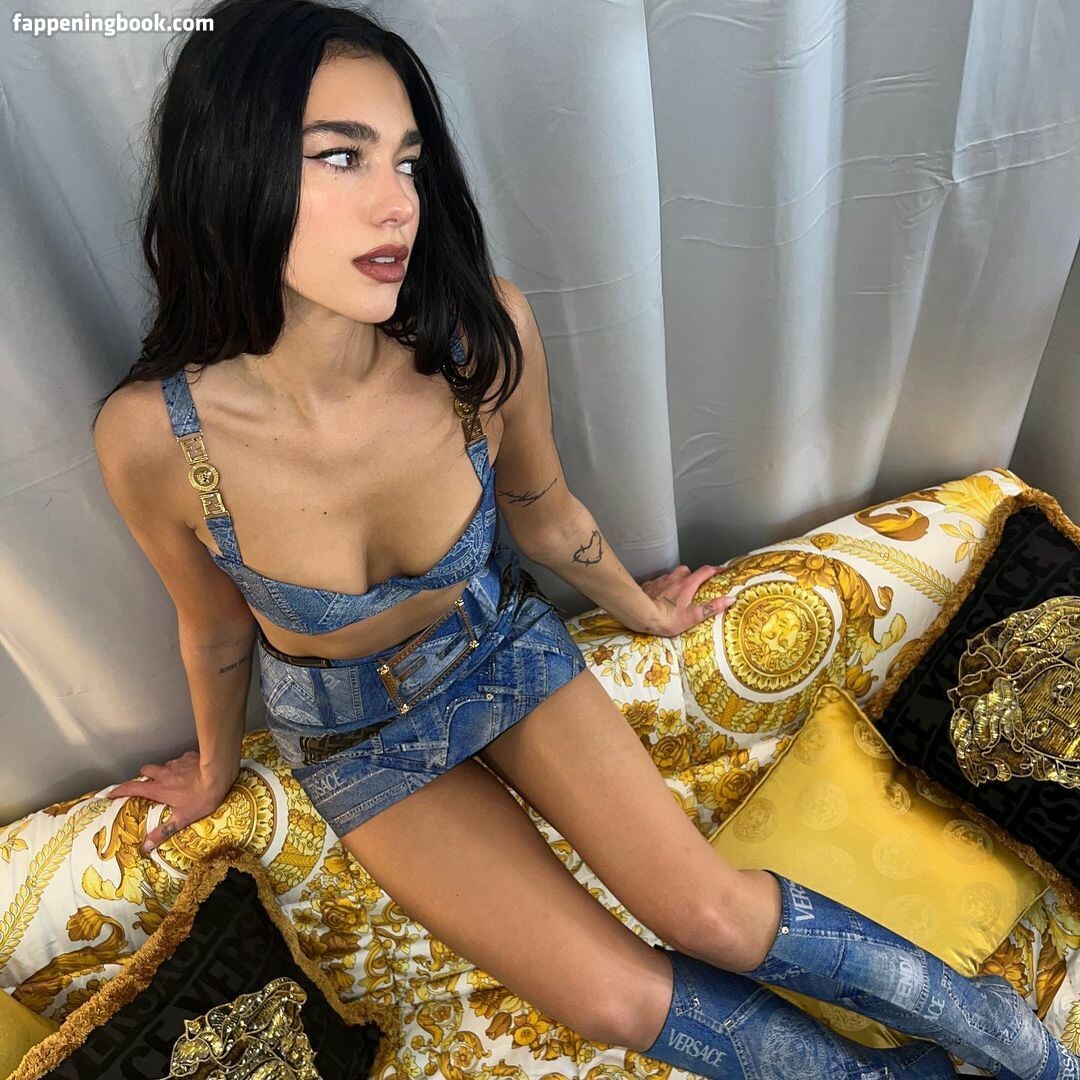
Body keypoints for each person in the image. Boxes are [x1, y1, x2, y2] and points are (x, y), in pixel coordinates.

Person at [88, 2, 1079, 1077]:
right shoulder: (156, 440)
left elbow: (544, 511)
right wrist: (214, 773)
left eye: (408, 161)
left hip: (496, 647)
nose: (397, 203)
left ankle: (1008, 1035)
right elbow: (215, 629)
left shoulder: (476, 336)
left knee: (705, 910)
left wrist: (648, 609)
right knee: (610, 999)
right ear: (231, 168)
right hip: (351, 737)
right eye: (341, 157)